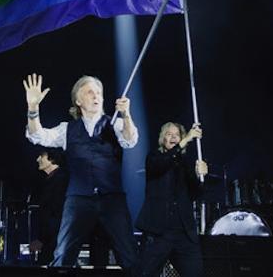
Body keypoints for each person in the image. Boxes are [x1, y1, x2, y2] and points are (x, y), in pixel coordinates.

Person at [23, 73, 139, 273]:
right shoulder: (67, 129)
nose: (96, 96)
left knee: (129, 255)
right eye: (90, 92)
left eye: (99, 93)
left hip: (111, 198)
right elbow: (37, 135)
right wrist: (33, 109)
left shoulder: (115, 124)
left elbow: (130, 140)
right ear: (78, 101)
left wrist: (126, 115)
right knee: (63, 255)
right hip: (78, 199)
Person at [136, 122, 207, 277]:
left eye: (177, 135)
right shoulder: (154, 158)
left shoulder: (185, 164)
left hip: (184, 234)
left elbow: (195, 195)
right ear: (163, 138)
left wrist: (200, 175)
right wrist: (186, 139)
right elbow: (163, 164)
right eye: (169, 134)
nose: (174, 137)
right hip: (158, 233)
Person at [29, 148, 69, 265]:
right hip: (52, 238)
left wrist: (42, 239)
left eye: (41, 156)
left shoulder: (60, 180)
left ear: (52, 159)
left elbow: (55, 213)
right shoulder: (54, 179)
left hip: (54, 239)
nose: (37, 159)